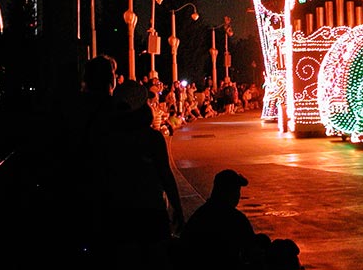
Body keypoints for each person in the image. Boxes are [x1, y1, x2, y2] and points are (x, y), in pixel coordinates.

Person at [69, 58, 185, 270]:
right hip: (148, 210)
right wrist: (177, 207)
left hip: (115, 211)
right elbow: (165, 175)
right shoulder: (150, 138)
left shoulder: (96, 123)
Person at [180, 169, 257, 269]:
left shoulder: (199, 216)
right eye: (237, 190)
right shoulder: (236, 220)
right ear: (231, 192)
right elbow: (251, 252)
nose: (238, 196)